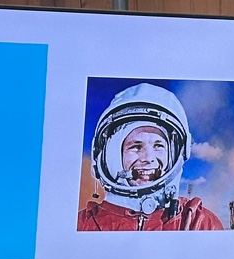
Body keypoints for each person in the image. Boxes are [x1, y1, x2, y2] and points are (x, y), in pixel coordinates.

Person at [76, 82, 224, 232]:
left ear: (177, 153)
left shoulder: (200, 224)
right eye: (135, 147)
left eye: (158, 146)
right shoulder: (83, 225)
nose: (148, 158)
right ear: (112, 156)